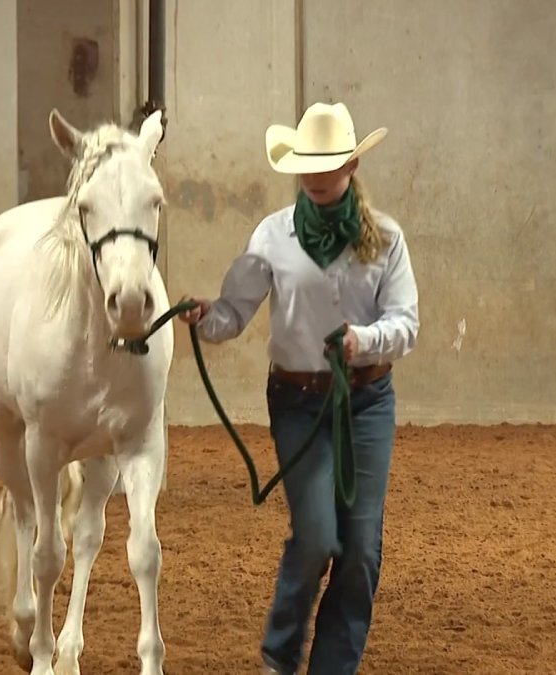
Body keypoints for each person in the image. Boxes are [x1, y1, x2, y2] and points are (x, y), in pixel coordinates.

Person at [177, 101, 419, 674]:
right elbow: (233, 315)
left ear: (353, 164)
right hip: (297, 402)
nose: (314, 172)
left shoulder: (385, 237)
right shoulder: (271, 236)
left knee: (360, 550)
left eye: (327, 161)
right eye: (306, 161)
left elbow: (406, 325)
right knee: (315, 538)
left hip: (366, 402)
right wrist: (204, 316)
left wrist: (362, 340)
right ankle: (279, 657)